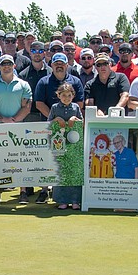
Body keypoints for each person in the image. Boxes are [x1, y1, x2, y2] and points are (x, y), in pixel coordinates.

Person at [0, 54, 33, 204]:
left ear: (14, 66)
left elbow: (27, 107)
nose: (6, 66)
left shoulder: (23, 85)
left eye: (9, 64)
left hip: (19, 128)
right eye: (3, 64)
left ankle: (22, 191)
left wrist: (13, 120)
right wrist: (3, 120)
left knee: (21, 161)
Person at [49, 82, 84, 210]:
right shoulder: (54, 107)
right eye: (63, 95)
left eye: (69, 95)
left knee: (74, 171)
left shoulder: (75, 107)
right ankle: (62, 200)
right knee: (61, 171)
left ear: (73, 96)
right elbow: (48, 124)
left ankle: (75, 200)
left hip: (74, 145)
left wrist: (74, 118)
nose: (66, 98)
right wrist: (57, 120)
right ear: (59, 95)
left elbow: (82, 122)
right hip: (58, 143)